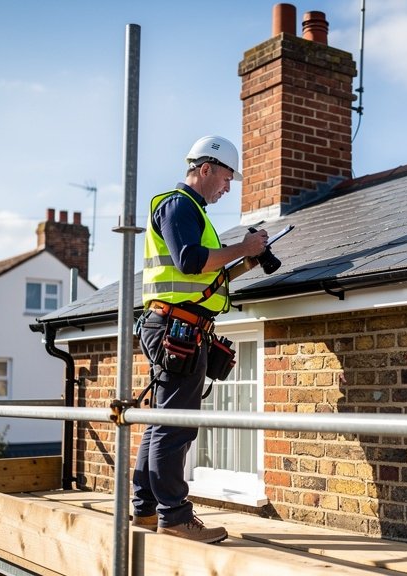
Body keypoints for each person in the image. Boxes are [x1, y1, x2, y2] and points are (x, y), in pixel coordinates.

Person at [131, 135, 268, 543]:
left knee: (162, 423)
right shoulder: (179, 205)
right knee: (176, 426)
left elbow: (206, 276)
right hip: (177, 329)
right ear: (205, 169)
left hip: (179, 326)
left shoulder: (193, 212)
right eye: (227, 178)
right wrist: (242, 245)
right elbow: (190, 262)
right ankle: (175, 517)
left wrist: (246, 257)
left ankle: (146, 510)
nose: (228, 188)